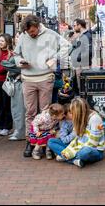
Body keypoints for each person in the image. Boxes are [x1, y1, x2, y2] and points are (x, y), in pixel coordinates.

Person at [14, 15, 70, 158]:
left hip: (45, 77)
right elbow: (16, 54)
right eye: (28, 32)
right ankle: (30, 141)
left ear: (38, 26)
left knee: (46, 112)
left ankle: (45, 142)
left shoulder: (51, 34)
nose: (31, 34)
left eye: (32, 31)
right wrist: (20, 61)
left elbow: (67, 46)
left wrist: (55, 58)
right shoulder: (23, 36)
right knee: (30, 112)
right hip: (28, 78)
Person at [50, 97, 105, 167]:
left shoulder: (95, 119)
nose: (70, 113)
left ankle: (67, 157)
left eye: (71, 111)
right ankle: (74, 161)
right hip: (78, 145)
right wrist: (70, 150)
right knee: (51, 142)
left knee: (84, 152)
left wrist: (70, 152)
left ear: (78, 111)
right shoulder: (79, 117)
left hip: (94, 149)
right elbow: (76, 138)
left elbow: (93, 143)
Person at [70, 18, 93, 93]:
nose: (73, 28)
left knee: (82, 88)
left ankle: (83, 103)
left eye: (74, 26)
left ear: (79, 25)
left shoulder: (87, 35)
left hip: (83, 65)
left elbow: (89, 51)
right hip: (79, 65)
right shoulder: (81, 35)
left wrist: (78, 58)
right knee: (80, 87)